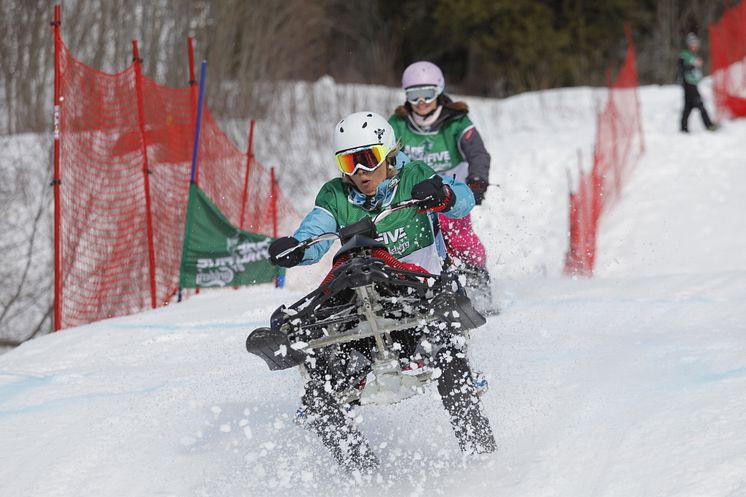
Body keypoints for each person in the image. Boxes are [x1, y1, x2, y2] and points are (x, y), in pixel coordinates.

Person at [267, 111, 496, 473]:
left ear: (388, 153)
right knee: (324, 384)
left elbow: (463, 201)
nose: (360, 172)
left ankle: (481, 456)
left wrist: (443, 195)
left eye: (367, 159)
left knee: (448, 359)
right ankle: (360, 471)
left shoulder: (415, 176)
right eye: (349, 162)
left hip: (419, 298)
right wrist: (296, 248)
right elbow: (316, 231)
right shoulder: (336, 194)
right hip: (358, 303)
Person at [388, 61, 494, 310]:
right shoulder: (398, 124)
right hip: (411, 199)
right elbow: (386, 155)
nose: (422, 102)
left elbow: (478, 154)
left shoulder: (456, 122)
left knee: (458, 239)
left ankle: (477, 277)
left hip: (450, 195)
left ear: (440, 90)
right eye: (414, 96)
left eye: (428, 94)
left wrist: (477, 181)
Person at [678, 32, 717, 133]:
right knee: (700, 105)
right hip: (688, 85)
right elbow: (681, 69)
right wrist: (692, 66)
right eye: (693, 44)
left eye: (696, 44)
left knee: (688, 107)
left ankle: (683, 128)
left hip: (693, 84)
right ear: (689, 44)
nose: (695, 46)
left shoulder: (693, 55)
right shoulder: (684, 55)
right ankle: (709, 126)